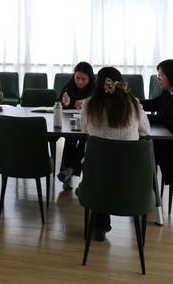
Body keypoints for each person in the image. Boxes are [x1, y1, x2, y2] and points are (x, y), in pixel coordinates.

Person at [79, 66, 150, 242]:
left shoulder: (89, 104)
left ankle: (99, 226)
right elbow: (145, 130)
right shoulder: (133, 103)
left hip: (97, 175)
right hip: (130, 174)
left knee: (102, 165)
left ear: (97, 83)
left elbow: (85, 129)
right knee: (113, 165)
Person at [55, 61, 95, 190]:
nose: (80, 82)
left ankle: (67, 171)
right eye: (77, 78)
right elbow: (57, 102)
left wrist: (86, 102)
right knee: (71, 137)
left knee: (85, 140)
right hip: (70, 122)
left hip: (89, 123)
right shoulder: (69, 85)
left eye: (84, 79)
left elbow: (99, 103)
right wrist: (64, 103)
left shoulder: (95, 88)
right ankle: (69, 171)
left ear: (90, 78)